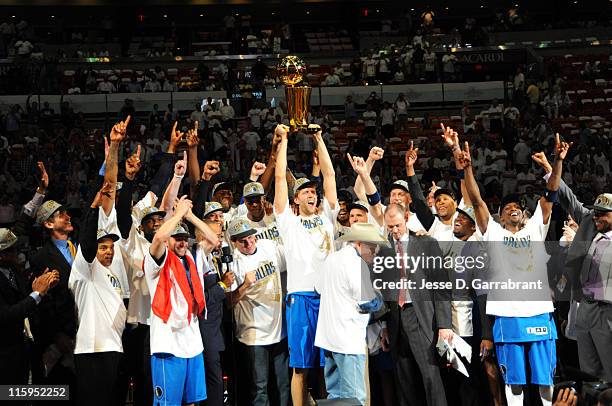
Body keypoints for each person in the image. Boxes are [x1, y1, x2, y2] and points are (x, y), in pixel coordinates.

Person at [460, 132, 568, 406]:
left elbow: (551, 193)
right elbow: (476, 202)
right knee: (514, 381)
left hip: (539, 313)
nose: (513, 209)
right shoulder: (493, 232)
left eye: (517, 206)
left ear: (525, 212)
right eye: (507, 208)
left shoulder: (535, 228)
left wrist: (557, 161)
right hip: (507, 316)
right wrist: (467, 168)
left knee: (545, 379)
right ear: (500, 215)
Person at [273, 123, 338, 406]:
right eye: (305, 192)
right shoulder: (288, 222)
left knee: (329, 364)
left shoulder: (327, 218)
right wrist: (285, 139)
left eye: (314, 191)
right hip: (299, 297)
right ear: (296, 198)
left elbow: (330, 174)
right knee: (301, 367)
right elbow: (278, 178)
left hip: (328, 298)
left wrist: (318, 139)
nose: (312, 194)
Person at [145, 195, 218, 406]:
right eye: (177, 238)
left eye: (185, 238)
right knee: (168, 403)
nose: (182, 242)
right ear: (169, 241)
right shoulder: (157, 262)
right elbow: (158, 238)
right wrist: (177, 215)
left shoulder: (193, 259)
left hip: (193, 343)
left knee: (193, 402)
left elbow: (213, 240)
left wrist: (190, 215)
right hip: (168, 345)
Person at [377, 203, 452, 406]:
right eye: (390, 227)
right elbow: (383, 290)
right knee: (404, 379)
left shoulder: (426, 243)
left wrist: (445, 325)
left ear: (407, 218)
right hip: (395, 319)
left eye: (398, 226)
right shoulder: (384, 250)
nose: (394, 231)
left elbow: (442, 286)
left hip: (421, 315)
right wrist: (384, 326)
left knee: (430, 376)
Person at [315, 222, 389, 405]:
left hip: (328, 339)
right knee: (355, 398)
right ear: (359, 243)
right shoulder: (357, 264)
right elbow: (369, 303)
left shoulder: (333, 258)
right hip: (347, 341)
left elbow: (318, 289)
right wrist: (379, 295)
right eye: (372, 249)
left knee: (335, 397)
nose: (374, 255)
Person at [69, 182, 127, 406]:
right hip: (92, 350)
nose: (109, 251)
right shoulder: (85, 269)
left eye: (111, 247)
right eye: (104, 247)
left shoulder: (111, 273)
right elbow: (87, 246)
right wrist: (93, 209)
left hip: (113, 348)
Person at [227, 218, 289, 406]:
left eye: (251, 237)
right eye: (242, 241)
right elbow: (228, 303)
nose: (248, 243)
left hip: (279, 330)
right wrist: (245, 285)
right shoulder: (233, 265)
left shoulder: (269, 246)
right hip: (253, 335)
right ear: (234, 242)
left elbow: (291, 262)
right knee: (259, 389)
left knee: (283, 386)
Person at [0, 228, 59, 384]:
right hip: (5, 353)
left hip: (22, 348)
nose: (17, 253)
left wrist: (43, 285)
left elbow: (24, 297)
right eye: (12, 250)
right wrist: (37, 294)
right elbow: (6, 315)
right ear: (1, 254)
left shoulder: (13, 270)